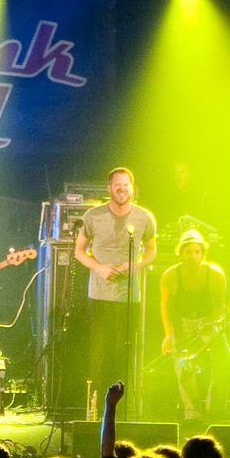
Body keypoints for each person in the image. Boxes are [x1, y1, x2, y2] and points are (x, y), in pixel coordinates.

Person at [73, 165, 158, 408]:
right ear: (109, 188)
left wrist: (137, 264)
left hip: (130, 298)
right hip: (99, 296)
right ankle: (99, 408)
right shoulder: (93, 216)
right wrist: (98, 268)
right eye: (117, 184)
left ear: (132, 188)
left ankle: (124, 408)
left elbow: (151, 250)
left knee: (124, 356)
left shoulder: (144, 217)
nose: (122, 188)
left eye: (126, 184)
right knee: (99, 355)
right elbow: (78, 251)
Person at [158, 229, 230, 420]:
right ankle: (192, 414)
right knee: (182, 365)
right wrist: (169, 335)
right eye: (188, 251)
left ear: (203, 254)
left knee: (224, 355)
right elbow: (165, 307)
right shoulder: (170, 276)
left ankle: (215, 409)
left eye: (197, 251)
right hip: (182, 323)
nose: (193, 256)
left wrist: (211, 324)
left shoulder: (215, 275)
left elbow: (220, 305)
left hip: (208, 321)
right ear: (180, 253)